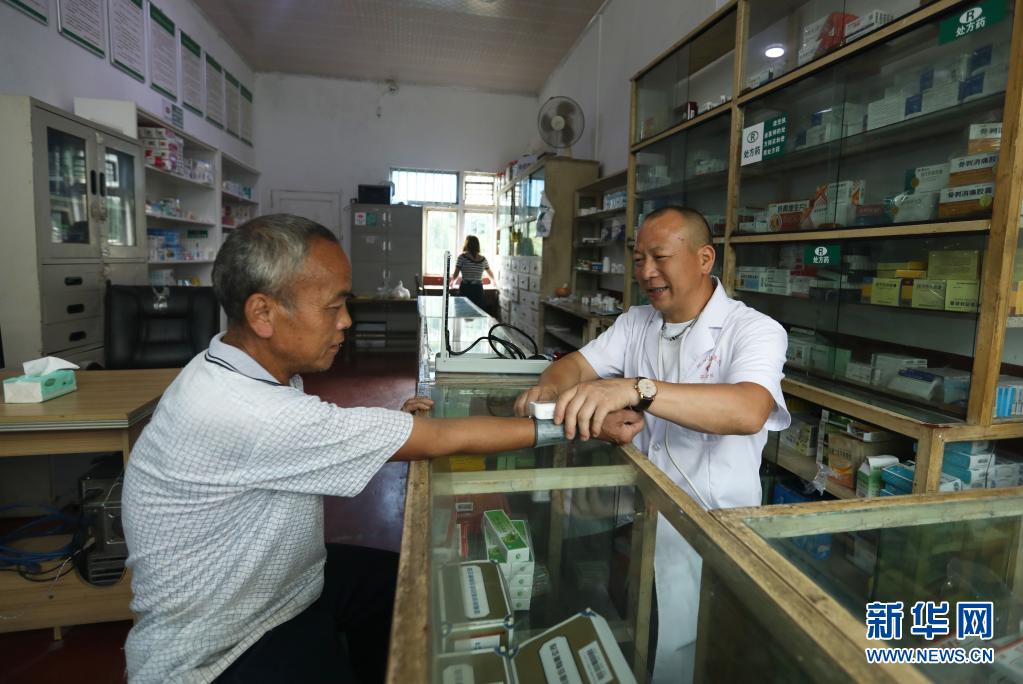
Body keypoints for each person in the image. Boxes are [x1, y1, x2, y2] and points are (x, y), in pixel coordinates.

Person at [121, 214, 642, 684]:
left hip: (282, 587)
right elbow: (439, 439)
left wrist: (390, 426)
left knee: (408, 588)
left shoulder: (230, 368)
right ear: (263, 313)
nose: (346, 321)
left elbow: (301, 433)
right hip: (222, 648)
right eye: (333, 306)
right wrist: (573, 426)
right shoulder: (245, 410)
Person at [514, 205, 790, 683]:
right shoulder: (637, 322)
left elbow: (749, 410)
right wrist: (548, 389)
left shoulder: (754, 329)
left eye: (659, 257)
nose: (645, 272)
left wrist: (637, 388)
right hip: (638, 513)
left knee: (703, 656)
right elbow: (573, 365)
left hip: (713, 530)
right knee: (640, 641)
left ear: (704, 259)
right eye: (639, 259)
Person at [449, 235, 495, 311]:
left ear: (467, 245)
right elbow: (490, 273)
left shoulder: (462, 257)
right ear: (477, 246)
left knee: (463, 311)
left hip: (466, 288)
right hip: (478, 289)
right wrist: (494, 282)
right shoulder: (483, 259)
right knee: (478, 311)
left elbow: (456, 274)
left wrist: (452, 282)